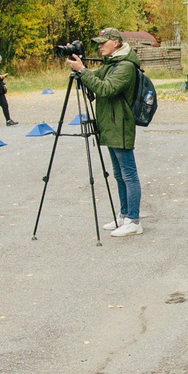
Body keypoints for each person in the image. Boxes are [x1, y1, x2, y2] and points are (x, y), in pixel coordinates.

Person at [69, 29, 145, 236]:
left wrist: (82, 70)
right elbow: (95, 78)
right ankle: (124, 214)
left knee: (128, 174)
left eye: (103, 42)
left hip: (120, 124)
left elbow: (106, 89)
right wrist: (81, 70)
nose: (100, 46)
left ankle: (134, 220)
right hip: (110, 124)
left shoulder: (126, 66)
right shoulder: (111, 63)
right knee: (119, 173)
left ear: (116, 43)